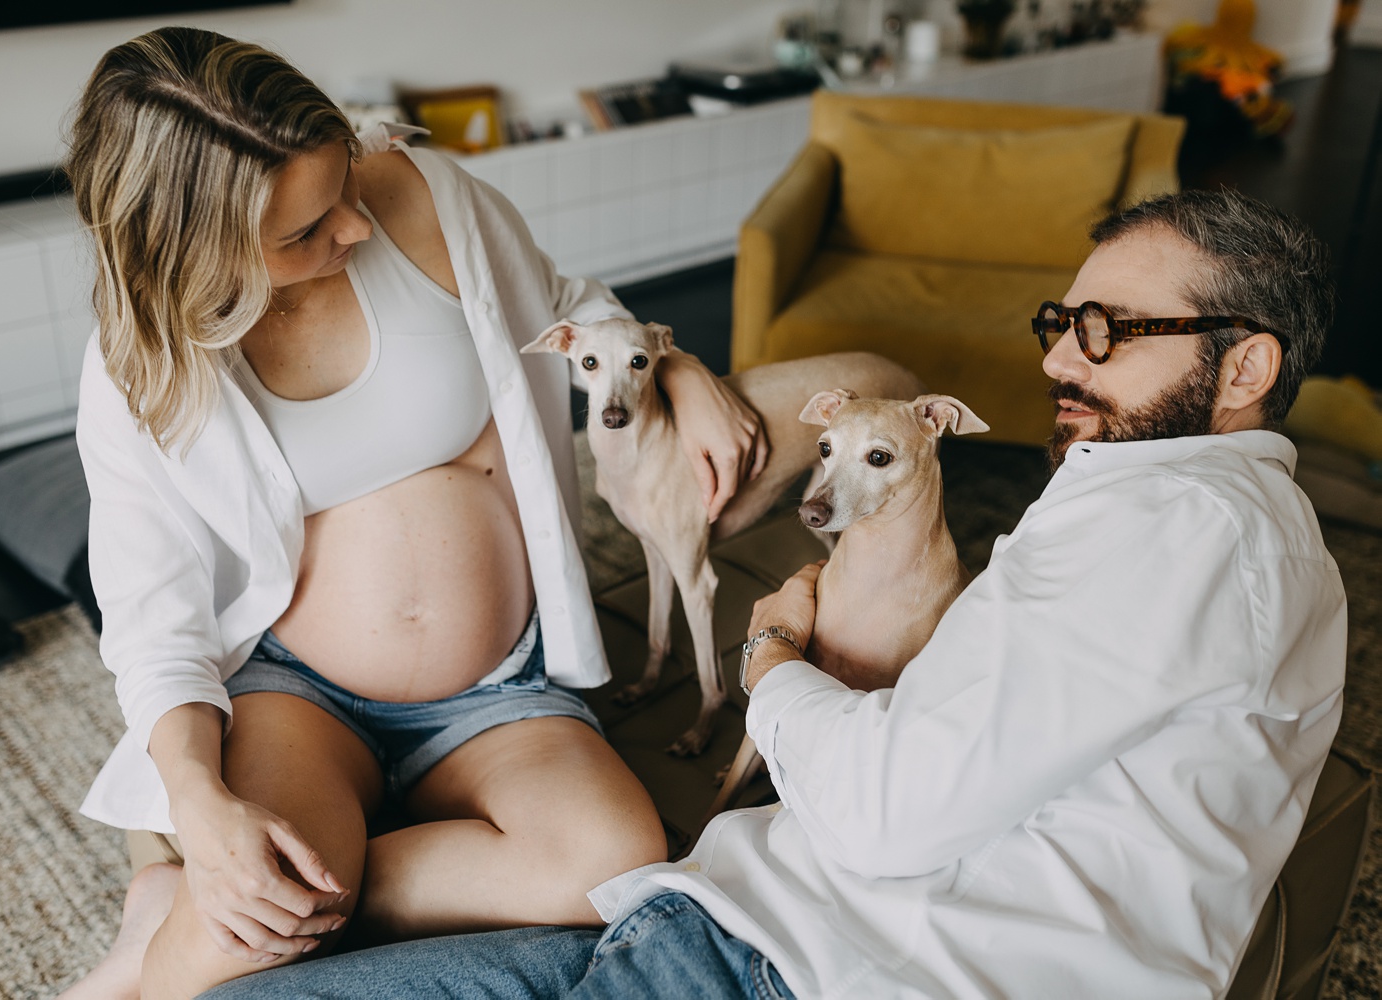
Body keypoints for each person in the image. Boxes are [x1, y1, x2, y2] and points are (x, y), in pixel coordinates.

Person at [200, 188, 1346, 1000]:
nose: (1057, 360)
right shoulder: (1141, 512)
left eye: (1106, 334)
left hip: (799, 970)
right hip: (725, 916)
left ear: (1244, 366)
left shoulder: (1190, 524)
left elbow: (893, 809)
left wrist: (774, 661)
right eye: (1060, 325)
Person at [58, 27, 772, 1000]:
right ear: (197, 253)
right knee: (248, 931)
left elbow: (569, 306)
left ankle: (285, 884)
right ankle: (183, 923)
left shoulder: (430, 199)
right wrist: (204, 801)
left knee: (611, 865)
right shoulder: (142, 363)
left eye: (344, 184)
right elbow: (151, 613)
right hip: (301, 691)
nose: (353, 228)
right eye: (304, 233)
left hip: (499, 685)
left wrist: (681, 375)